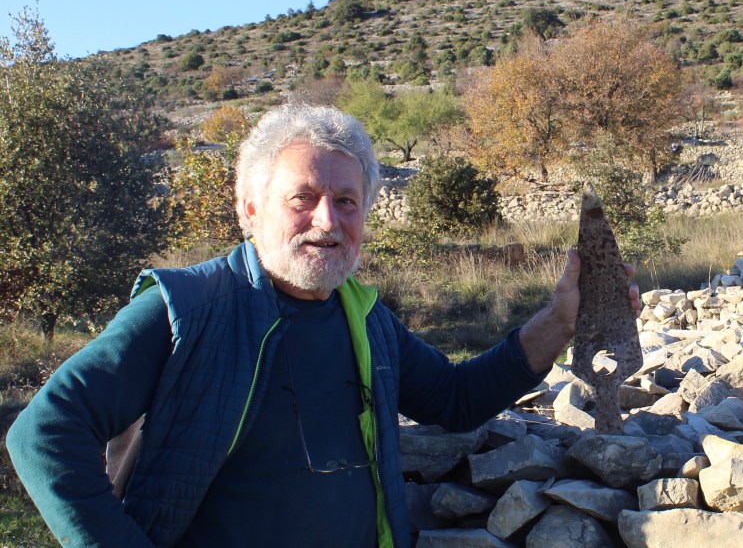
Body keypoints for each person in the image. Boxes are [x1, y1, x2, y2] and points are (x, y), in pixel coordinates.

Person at [6, 104, 640, 548]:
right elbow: (44, 433)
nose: (327, 221)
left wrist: (560, 321)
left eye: (346, 201)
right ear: (249, 208)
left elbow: (455, 399)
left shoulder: (363, 317)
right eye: (302, 197)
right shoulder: (185, 307)